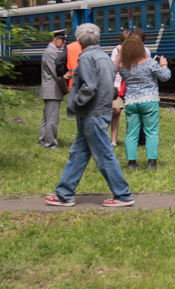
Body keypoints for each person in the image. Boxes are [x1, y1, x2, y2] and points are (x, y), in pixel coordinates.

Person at [44, 23, 135, 208]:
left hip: (91, 113)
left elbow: (89, 86)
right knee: (77, 153)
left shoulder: (86, 57)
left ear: (79, 40)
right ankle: (64, 193)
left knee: (104, 155)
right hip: (101, 111)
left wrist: (76, 102)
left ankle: (123, 195)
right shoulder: (105, 57)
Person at [117, 33, 171, 170]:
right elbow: (165, 77)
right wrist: (164, 65)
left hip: (131, 101)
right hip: (149, 100)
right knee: (151, 131)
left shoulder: (123, 66)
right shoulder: (150, 63)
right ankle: (151, 163)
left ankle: (132, 163)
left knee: (131, 132)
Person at [38, 29, 66, 149]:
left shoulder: (49, 51)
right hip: (52, 90)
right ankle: (50, 144)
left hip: (49, 90)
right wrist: (65, 88)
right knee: (52, 119)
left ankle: (43, 139)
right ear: (56, 40)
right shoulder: (51, 53)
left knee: (47, 117)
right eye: (63, 40)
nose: (63, 43)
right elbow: (57, 74)